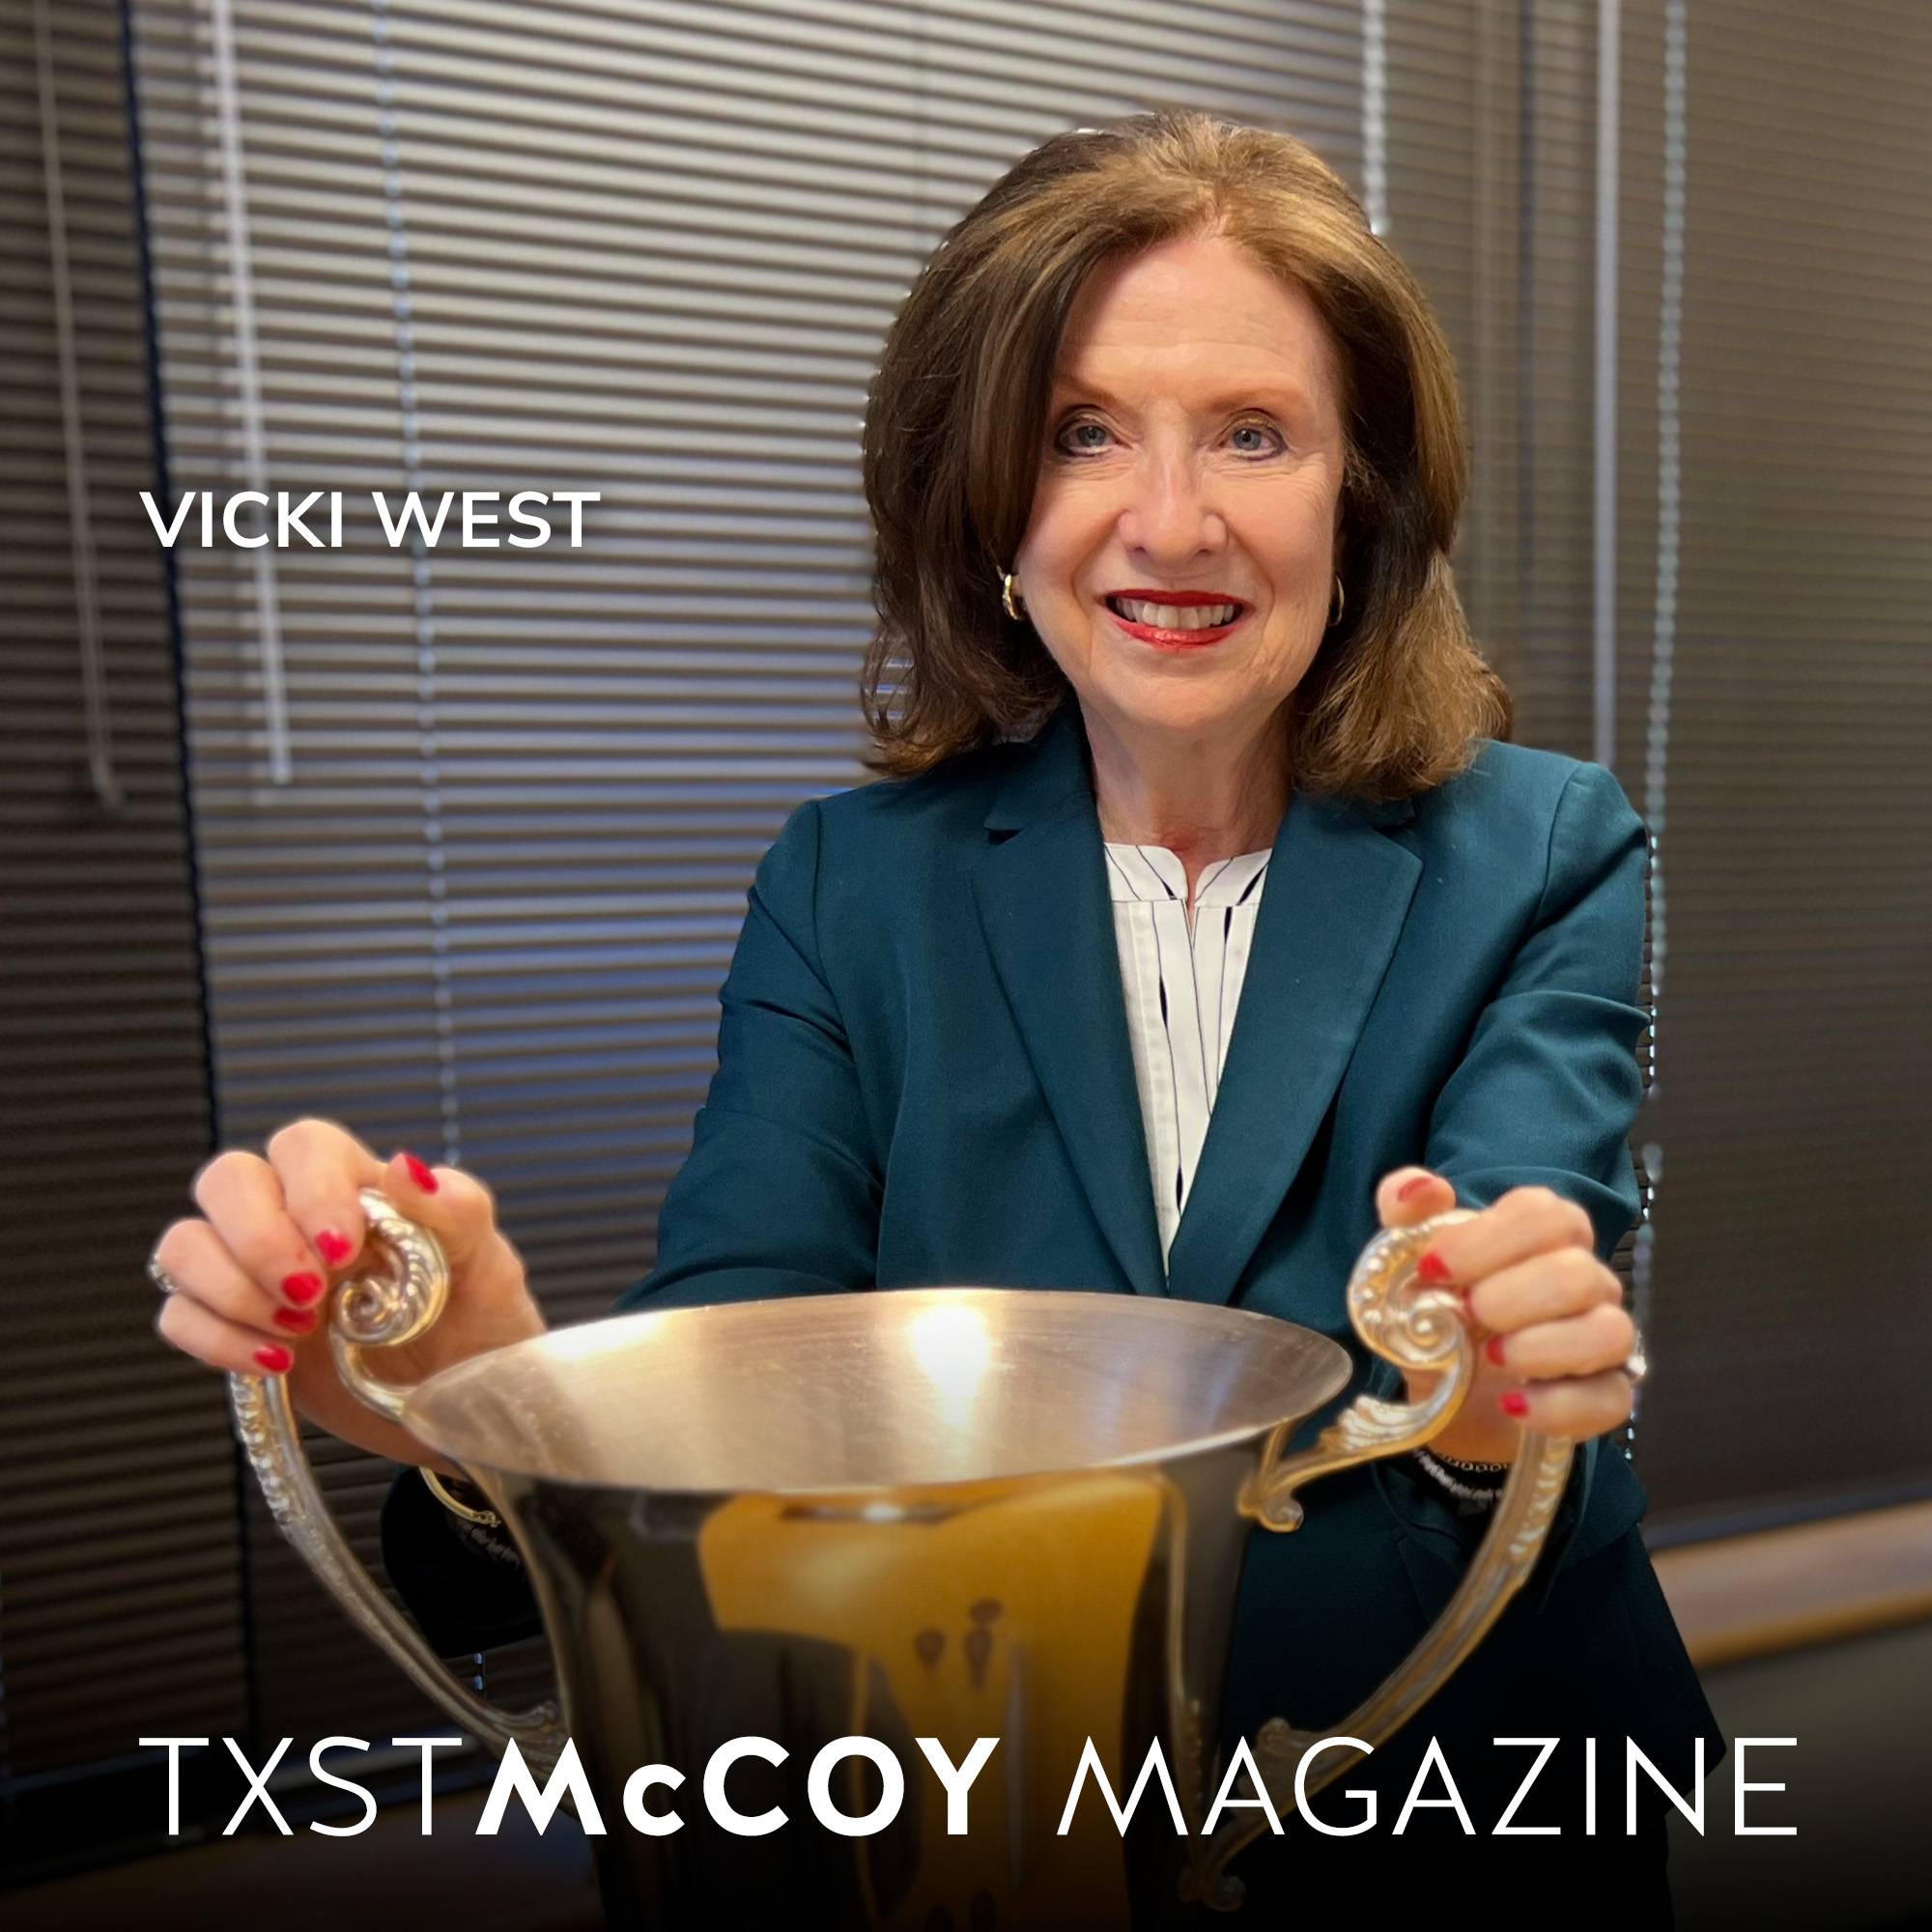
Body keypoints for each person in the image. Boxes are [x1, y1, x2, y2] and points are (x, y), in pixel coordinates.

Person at [152, 111, 1722, 1914]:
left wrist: (1491, 1404)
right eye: (1081, 434)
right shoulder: (845, 891)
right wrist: (484, 1396)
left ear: (1357, 500)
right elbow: (737, 1417)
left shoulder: (1545, 846)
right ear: (988, 500)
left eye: (1255, 433)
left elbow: (1534, 1341)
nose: (1172, 520)